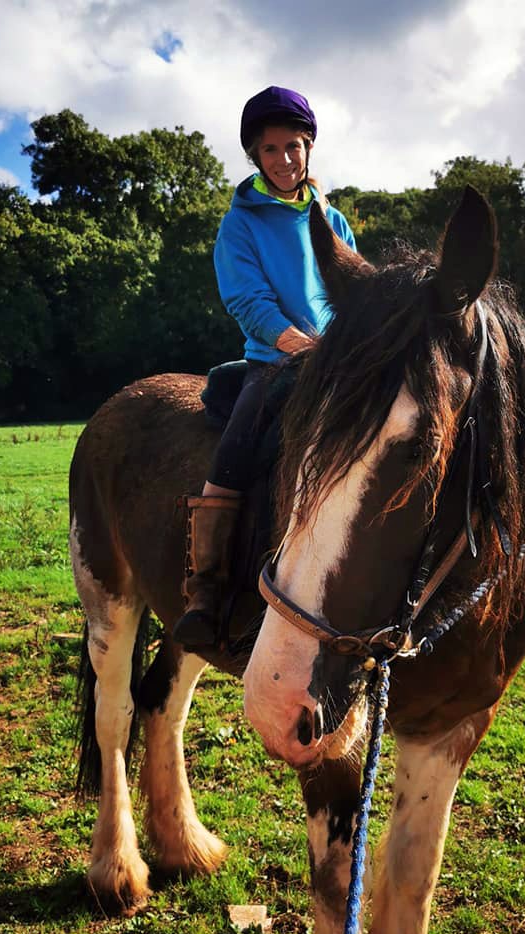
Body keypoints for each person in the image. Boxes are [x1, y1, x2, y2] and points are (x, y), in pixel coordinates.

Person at [173, 85, 357, 650]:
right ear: (256, 156)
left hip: (337, 361)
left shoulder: (333, 219)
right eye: (272, 149)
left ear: (309, 149)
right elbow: (246, 300)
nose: (285, 159)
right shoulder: (240, 224)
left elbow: (355, 290)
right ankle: (204, 589)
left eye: (295, 146)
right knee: (236, 449)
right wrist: (294, 342)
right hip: (275, 362)